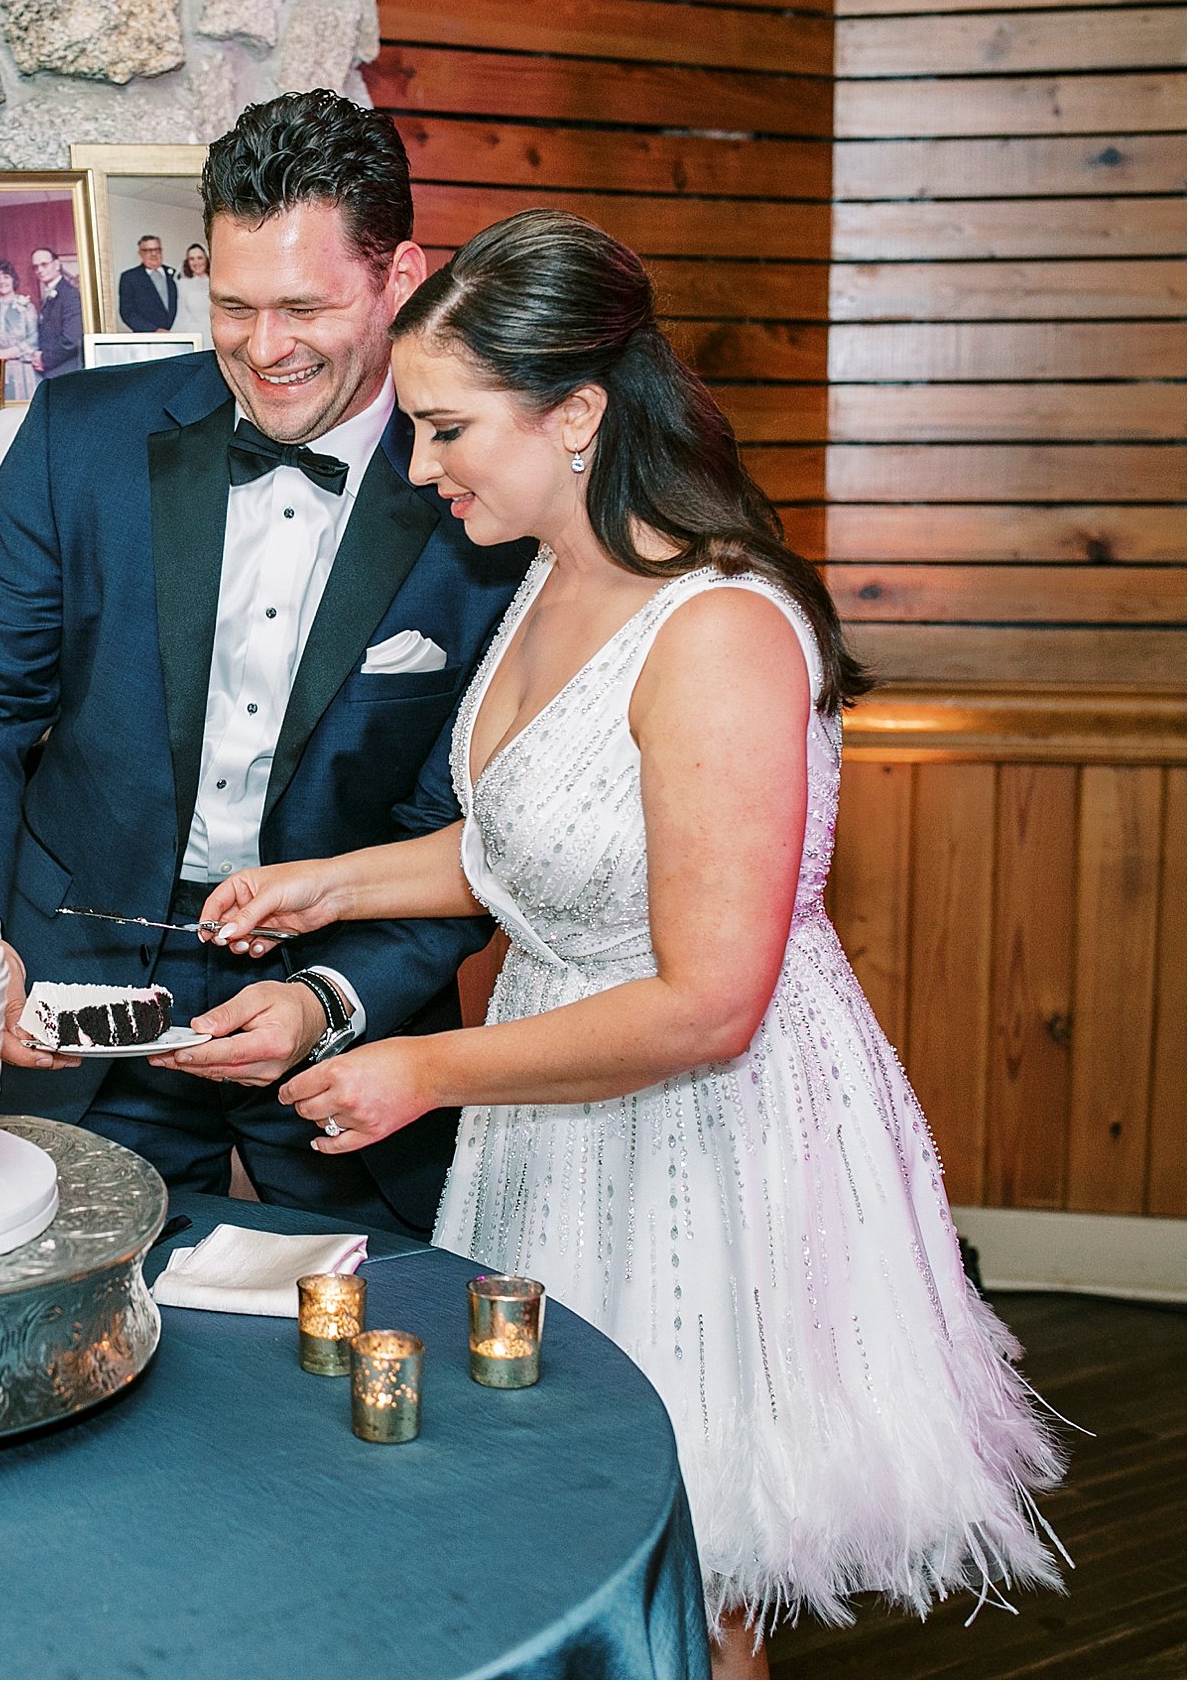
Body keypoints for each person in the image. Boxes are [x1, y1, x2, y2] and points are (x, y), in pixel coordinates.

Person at [200, 209, 1063, 1674]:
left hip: (701, 1133)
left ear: (578, 413)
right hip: (556, 1109)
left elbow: (711, 1001)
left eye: (448, 428)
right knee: (575, 1527)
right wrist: (330, 884)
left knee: (692, 1564)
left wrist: (426, 1068)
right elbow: (540, 839)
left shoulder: (720, 630)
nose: (422, 468)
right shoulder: (550, 569)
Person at [0, 91, 531, 1234]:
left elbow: (472, 822)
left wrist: (327, 997)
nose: (266, 349)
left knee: (368, 1345)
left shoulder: (486, 492)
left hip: (345, 1011)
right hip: (68, 986)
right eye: (236, 304)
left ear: (401, 278)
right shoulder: (77, 436)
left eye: (306, 305)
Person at [0, 259, 40, 404]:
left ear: (13, 279)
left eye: (6, 276)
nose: (2, 281)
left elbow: (34, 339)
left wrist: (6, 353)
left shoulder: (26, 306)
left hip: (22, 371)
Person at [28, 246, 84, 381]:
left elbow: (72, 340)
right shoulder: (51, 293)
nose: (39, 270)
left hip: (66, 370)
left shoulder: (70, 294)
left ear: (57, 264)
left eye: (44, 264)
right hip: (55, 370)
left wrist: (44, 359)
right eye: (35, 267)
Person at [116, 233, 180, 333]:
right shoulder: (129, 277)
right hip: (146, 339)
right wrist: (155, 330)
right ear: (140, 253)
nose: (153, 254)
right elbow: (127, 313)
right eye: (148, 251)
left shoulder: (175, 274)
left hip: (179, 335)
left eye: (157, 250)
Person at [177, 242, 214, 351]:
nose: (196, 262)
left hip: (214, 332)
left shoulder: (216, 282)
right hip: (194, 333)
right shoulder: (182, 284)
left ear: (206, 259)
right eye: (191, 259)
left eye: (199, 258)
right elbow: (181, 314)